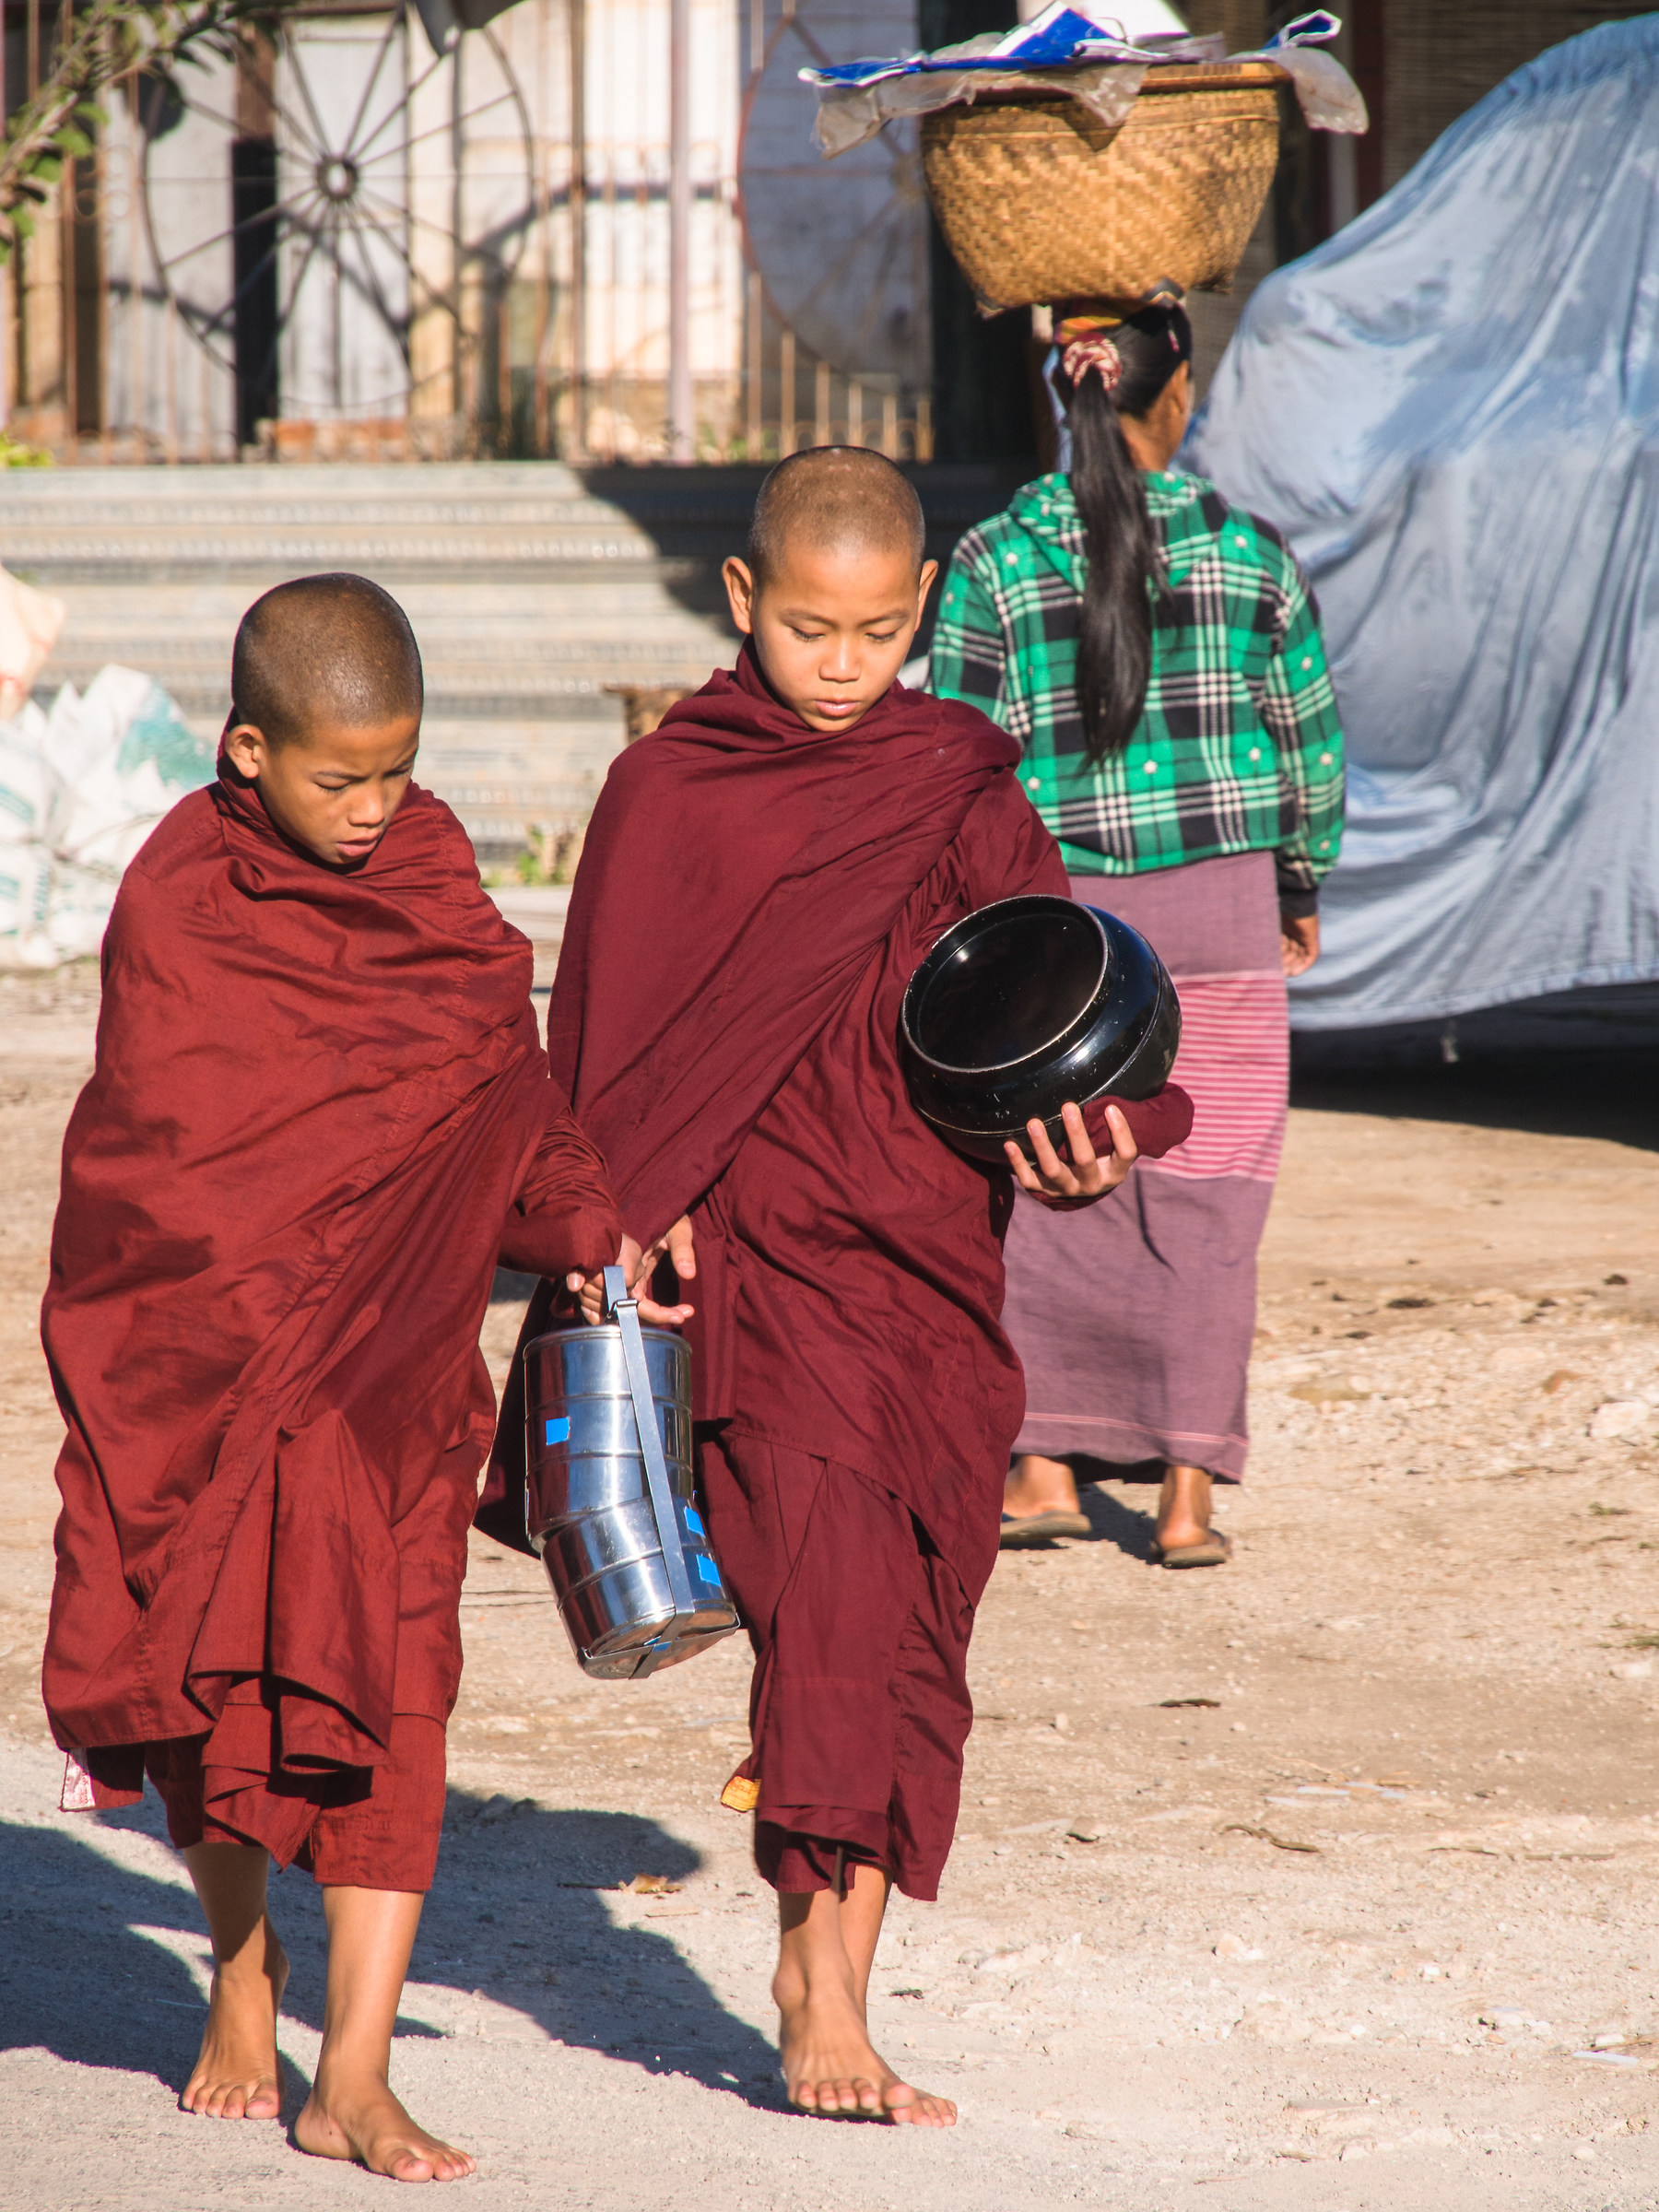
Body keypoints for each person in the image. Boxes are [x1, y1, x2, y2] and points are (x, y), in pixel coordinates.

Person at [478, 448, 1193, 2125]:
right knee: (835, 1616)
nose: (845, 666)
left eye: (878, 633)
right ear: (742, 603)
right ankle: (830, 1994)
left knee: (919, 1631)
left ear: (924, 614)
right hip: (758, 1282)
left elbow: (1045, 1000)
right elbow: (610, 1062)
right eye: (810, 629)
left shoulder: (958, 783)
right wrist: (626, 1221)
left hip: (928, 1274)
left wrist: (1100, 1134)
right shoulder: (673, 791)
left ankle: (829, 1960)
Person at [41, 574, 656, 2183]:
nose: (379, 811)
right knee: (211, 1686)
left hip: (386, 1379)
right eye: (339, 780)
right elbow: (155, 1156)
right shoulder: (182, 894)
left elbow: (498, 1096)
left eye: (399, 770)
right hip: (205, 1360)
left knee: (396, 1694)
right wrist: (210, 1312)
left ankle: (357, 2075)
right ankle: (242, 1973)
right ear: (248, 749)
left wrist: (582, 1218)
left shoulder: (439, 874)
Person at [930, 300, 1345, 1563]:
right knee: (1214, 1195)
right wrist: (1300, 882)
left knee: (1056, 1173)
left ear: (1068, 402)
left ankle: (1045, 1470)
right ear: (1177, 396)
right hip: (1219, 915)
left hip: (1062, 927)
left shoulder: (996, 556)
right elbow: (1309, 743)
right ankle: (1185, 1502)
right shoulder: (1251, 552)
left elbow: (952, 750)